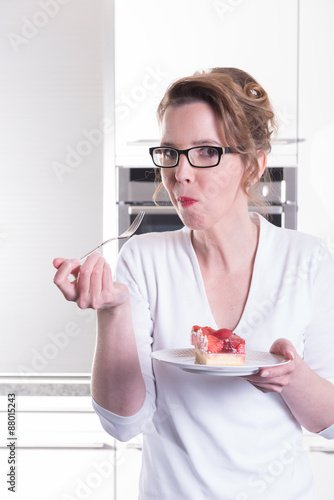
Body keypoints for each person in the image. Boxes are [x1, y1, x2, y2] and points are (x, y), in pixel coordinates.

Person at [53, 67, 334, 500]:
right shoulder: (144, 259)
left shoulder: (307, 260)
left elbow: (329, 422)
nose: (180, 173)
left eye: (206, 152)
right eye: (170, 152)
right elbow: (123, 423)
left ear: (255, 164)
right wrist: (112, 313)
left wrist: (292, 378)